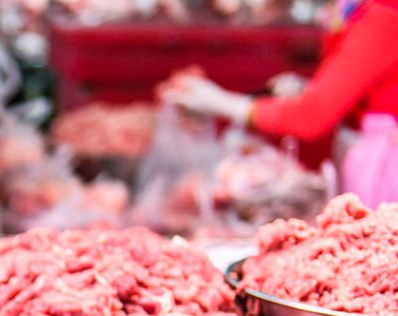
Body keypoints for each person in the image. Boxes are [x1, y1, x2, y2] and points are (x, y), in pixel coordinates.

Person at [163, 0, 398, 207]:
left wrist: (222, 103)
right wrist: (312, 90)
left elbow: (312, 117)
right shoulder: (363, 10)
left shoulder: (384, 15)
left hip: (383, 175)